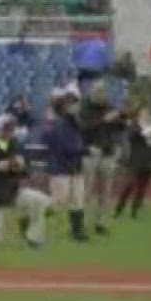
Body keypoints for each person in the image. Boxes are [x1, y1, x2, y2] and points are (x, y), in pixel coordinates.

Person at [0, 114, 51, 247]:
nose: (9, 132)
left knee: (43, 202)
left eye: (11, 129)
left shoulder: (15, 144)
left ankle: (32, 236)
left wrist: (21, 167)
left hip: (12, 192)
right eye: (6, 128)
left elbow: (25, 170)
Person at [42, 90, 91, 242]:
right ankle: (31, 216)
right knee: (59, 200)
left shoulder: (74, 123)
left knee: (78, 198)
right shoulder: (60, 124)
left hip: (74, 166)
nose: (77, 108)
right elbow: (65, 147)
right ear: (65, 106)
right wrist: (85, 150)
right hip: (61, 166)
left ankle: (77, 231)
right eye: (73, 104)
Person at [80, 85, 125, 235]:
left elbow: (120, 127)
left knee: (106, 190)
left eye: (104, 94)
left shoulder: (109, 107)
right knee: (87, 189)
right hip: (91, 151)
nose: (102, 97)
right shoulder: (85, 108)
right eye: (99, 94)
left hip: (108, 151)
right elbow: (83, 127)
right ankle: (82, 223)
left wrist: (121, 119)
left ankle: (100, 223)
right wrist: (104, 120)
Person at [113, 113, 151, 219]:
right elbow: (132, 137)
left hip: (150, 162)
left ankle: (134, 212)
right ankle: (119, 209)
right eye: (144, 118)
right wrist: (146, 132)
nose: (147, 120)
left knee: (142, 188)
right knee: (130, 186)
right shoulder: (135, 129)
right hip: (136, 162)